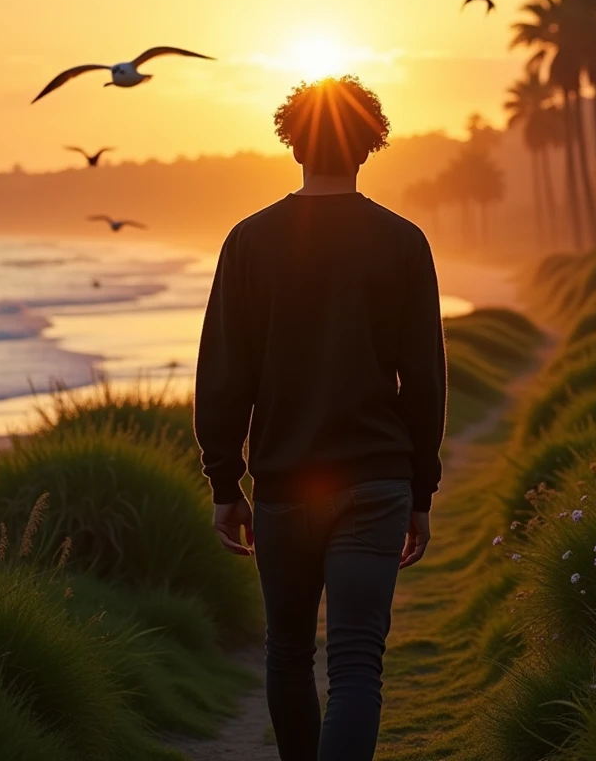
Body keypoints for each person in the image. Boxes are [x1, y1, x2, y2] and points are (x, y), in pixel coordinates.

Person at [194, 74, 447, 761]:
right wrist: (421, 492)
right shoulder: (403, 242)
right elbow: (424, 381)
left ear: (292, 140)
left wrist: (225, 485)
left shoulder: (248, 242)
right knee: (358, 663)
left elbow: (223, 376)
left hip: (284, 485)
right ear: (369, 144)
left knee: (287, 653)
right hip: (376, 481)